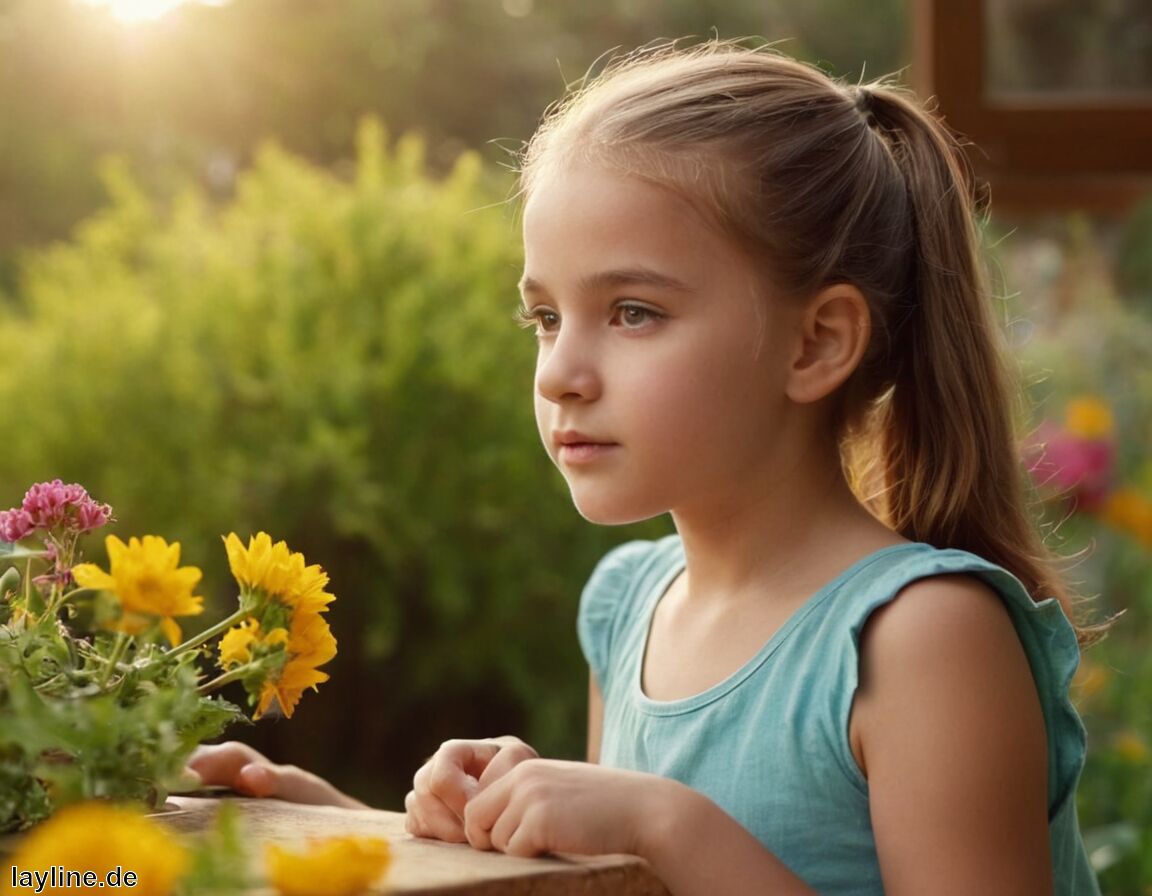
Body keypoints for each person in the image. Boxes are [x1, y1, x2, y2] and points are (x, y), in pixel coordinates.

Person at [190, 40, 1102, 895]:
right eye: (544, 318)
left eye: (632, 312)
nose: (559, 374)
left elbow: (674, 855)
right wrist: (340, 826)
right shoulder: (627, 605)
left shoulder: (922, 638)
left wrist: (670, 825)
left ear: (815, 343)